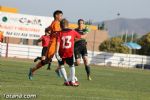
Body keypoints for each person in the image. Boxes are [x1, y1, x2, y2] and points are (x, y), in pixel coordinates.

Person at [28, 10, 63, 80]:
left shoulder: (56, 23)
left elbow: (49, 28)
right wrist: (63, 32)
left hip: (58, 43)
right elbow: (57, 33)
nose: (61, 17)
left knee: (64, 57)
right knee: (46, 61)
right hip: (53, 44)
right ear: (56, 16)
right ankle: (32, 70)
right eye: (61, 15)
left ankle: (58, 69)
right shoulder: (56, 23)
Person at [56, 18, 84, 86]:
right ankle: (73, 81)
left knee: (61, 65)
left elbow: (58, 43)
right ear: (68, 25)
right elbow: (80, 37)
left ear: (61, 26)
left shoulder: (59, 33)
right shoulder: (72, 31)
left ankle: (66, 81)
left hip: (61, 52)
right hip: (69, 52)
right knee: (72, 66)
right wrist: (86, 32)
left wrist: (56, 52)